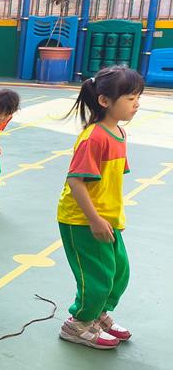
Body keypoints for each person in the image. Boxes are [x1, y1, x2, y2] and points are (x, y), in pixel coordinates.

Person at [56, 66, 143, 350]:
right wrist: (94, 219)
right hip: (82, 219)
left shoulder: (118, 133)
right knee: (97, 278)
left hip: (108, 218)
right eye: (130, 98)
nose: (136, 104)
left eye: (138, 98)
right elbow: (76, 181)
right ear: (105, 101)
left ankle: (97, 313)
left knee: (119, 273)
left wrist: (110, 216)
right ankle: (78, 323)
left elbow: (108, 181)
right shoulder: (94, 137)